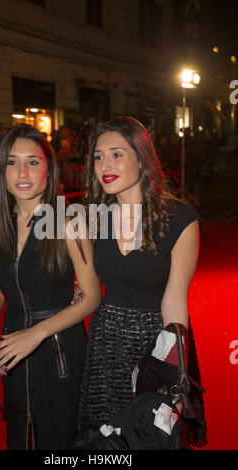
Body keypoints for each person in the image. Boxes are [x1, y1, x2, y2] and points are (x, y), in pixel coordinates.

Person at [76, 116, 207, 448]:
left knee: (151, 438)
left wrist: (173, 378)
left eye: (117, 154)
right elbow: (88, 286)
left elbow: (174, 303)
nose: (105, 164)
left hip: (155, 342)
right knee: (105, 443)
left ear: (141, 158)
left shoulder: (180, 221)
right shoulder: (93, 219)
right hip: (106, 344)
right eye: (98, 156)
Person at [0, 123, 101, 450]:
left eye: (32, 161)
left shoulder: (68, 220)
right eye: (12, 162)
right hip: (12, 346)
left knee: (61, 438)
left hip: (59, 349)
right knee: (21, 434)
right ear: (1, 170)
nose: (22, 171)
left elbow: (91, 297)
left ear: (49, 167)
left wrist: (37, 333)